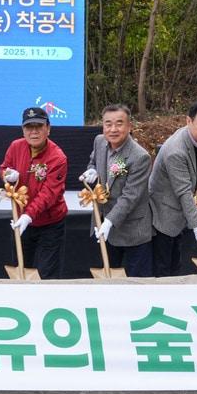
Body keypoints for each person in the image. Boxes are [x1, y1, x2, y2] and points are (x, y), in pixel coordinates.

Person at [79, 104, 153, 276]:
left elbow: (130, 196)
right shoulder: (99, 141)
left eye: (119, 124)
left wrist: (110, 222)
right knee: (107, 278)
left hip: (133, 230)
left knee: (137, 283)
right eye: (108, 124)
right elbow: (94, 162)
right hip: (105, 224)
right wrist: (93, 170)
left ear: (129, 126)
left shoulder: (140, 157)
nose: (113, 129)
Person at [149, 101, 197, 277]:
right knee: (164, 269)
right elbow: (184, 192)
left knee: (175, 265)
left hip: (177, 214)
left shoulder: (195, 140)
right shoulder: (176, 151)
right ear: (189, 121)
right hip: (162, 214)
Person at [0, 106, 69, 279]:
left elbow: (49, 194)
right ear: (23, 130)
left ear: (48, 128)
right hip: (21, 220)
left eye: (39, 126)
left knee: (46, 275)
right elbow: (4, 167)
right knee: (21, 270)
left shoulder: (58, 157)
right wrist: (7, 175)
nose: (34, 132)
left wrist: (28, 216)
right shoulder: (15, 146)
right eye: (29, 127)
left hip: (50, 223)